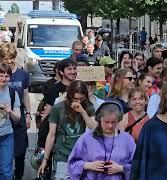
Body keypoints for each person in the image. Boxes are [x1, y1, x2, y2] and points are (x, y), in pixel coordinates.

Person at [38, 80, 97, 179]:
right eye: (76, 99)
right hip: (62, 154)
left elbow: (93, 127)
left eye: (82, 99)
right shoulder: (58, 108)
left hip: (81, 155)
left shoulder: (89, 106)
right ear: (69, 96)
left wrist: (83, 112)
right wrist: (45, 159)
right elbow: (51, 135)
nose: (78, 102)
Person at [68, 101, 136, 180]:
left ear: (119, 120)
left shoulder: (127, 139)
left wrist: (121, 168)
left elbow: (137, 166)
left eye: (113, 122)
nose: (110, 125)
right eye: (106, 122)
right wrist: (88, 165)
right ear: (100, 119)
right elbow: (72, 163)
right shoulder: (87, 138)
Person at [0, 43, 31, 180]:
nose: (8, 61)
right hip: (3, 121)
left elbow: (25, 94)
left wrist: (29, 114)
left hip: (16, 119)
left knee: (19, 152)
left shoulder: (22, 74)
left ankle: (18, 176)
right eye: (4, 58)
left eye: (10, 58)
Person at [0, 63, 21, 180]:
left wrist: (10, 111)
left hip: (7, 135)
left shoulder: (13, 93)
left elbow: (17, 118)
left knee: (6, 171)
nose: (3, 79)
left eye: (6, 76)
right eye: (1, 75)